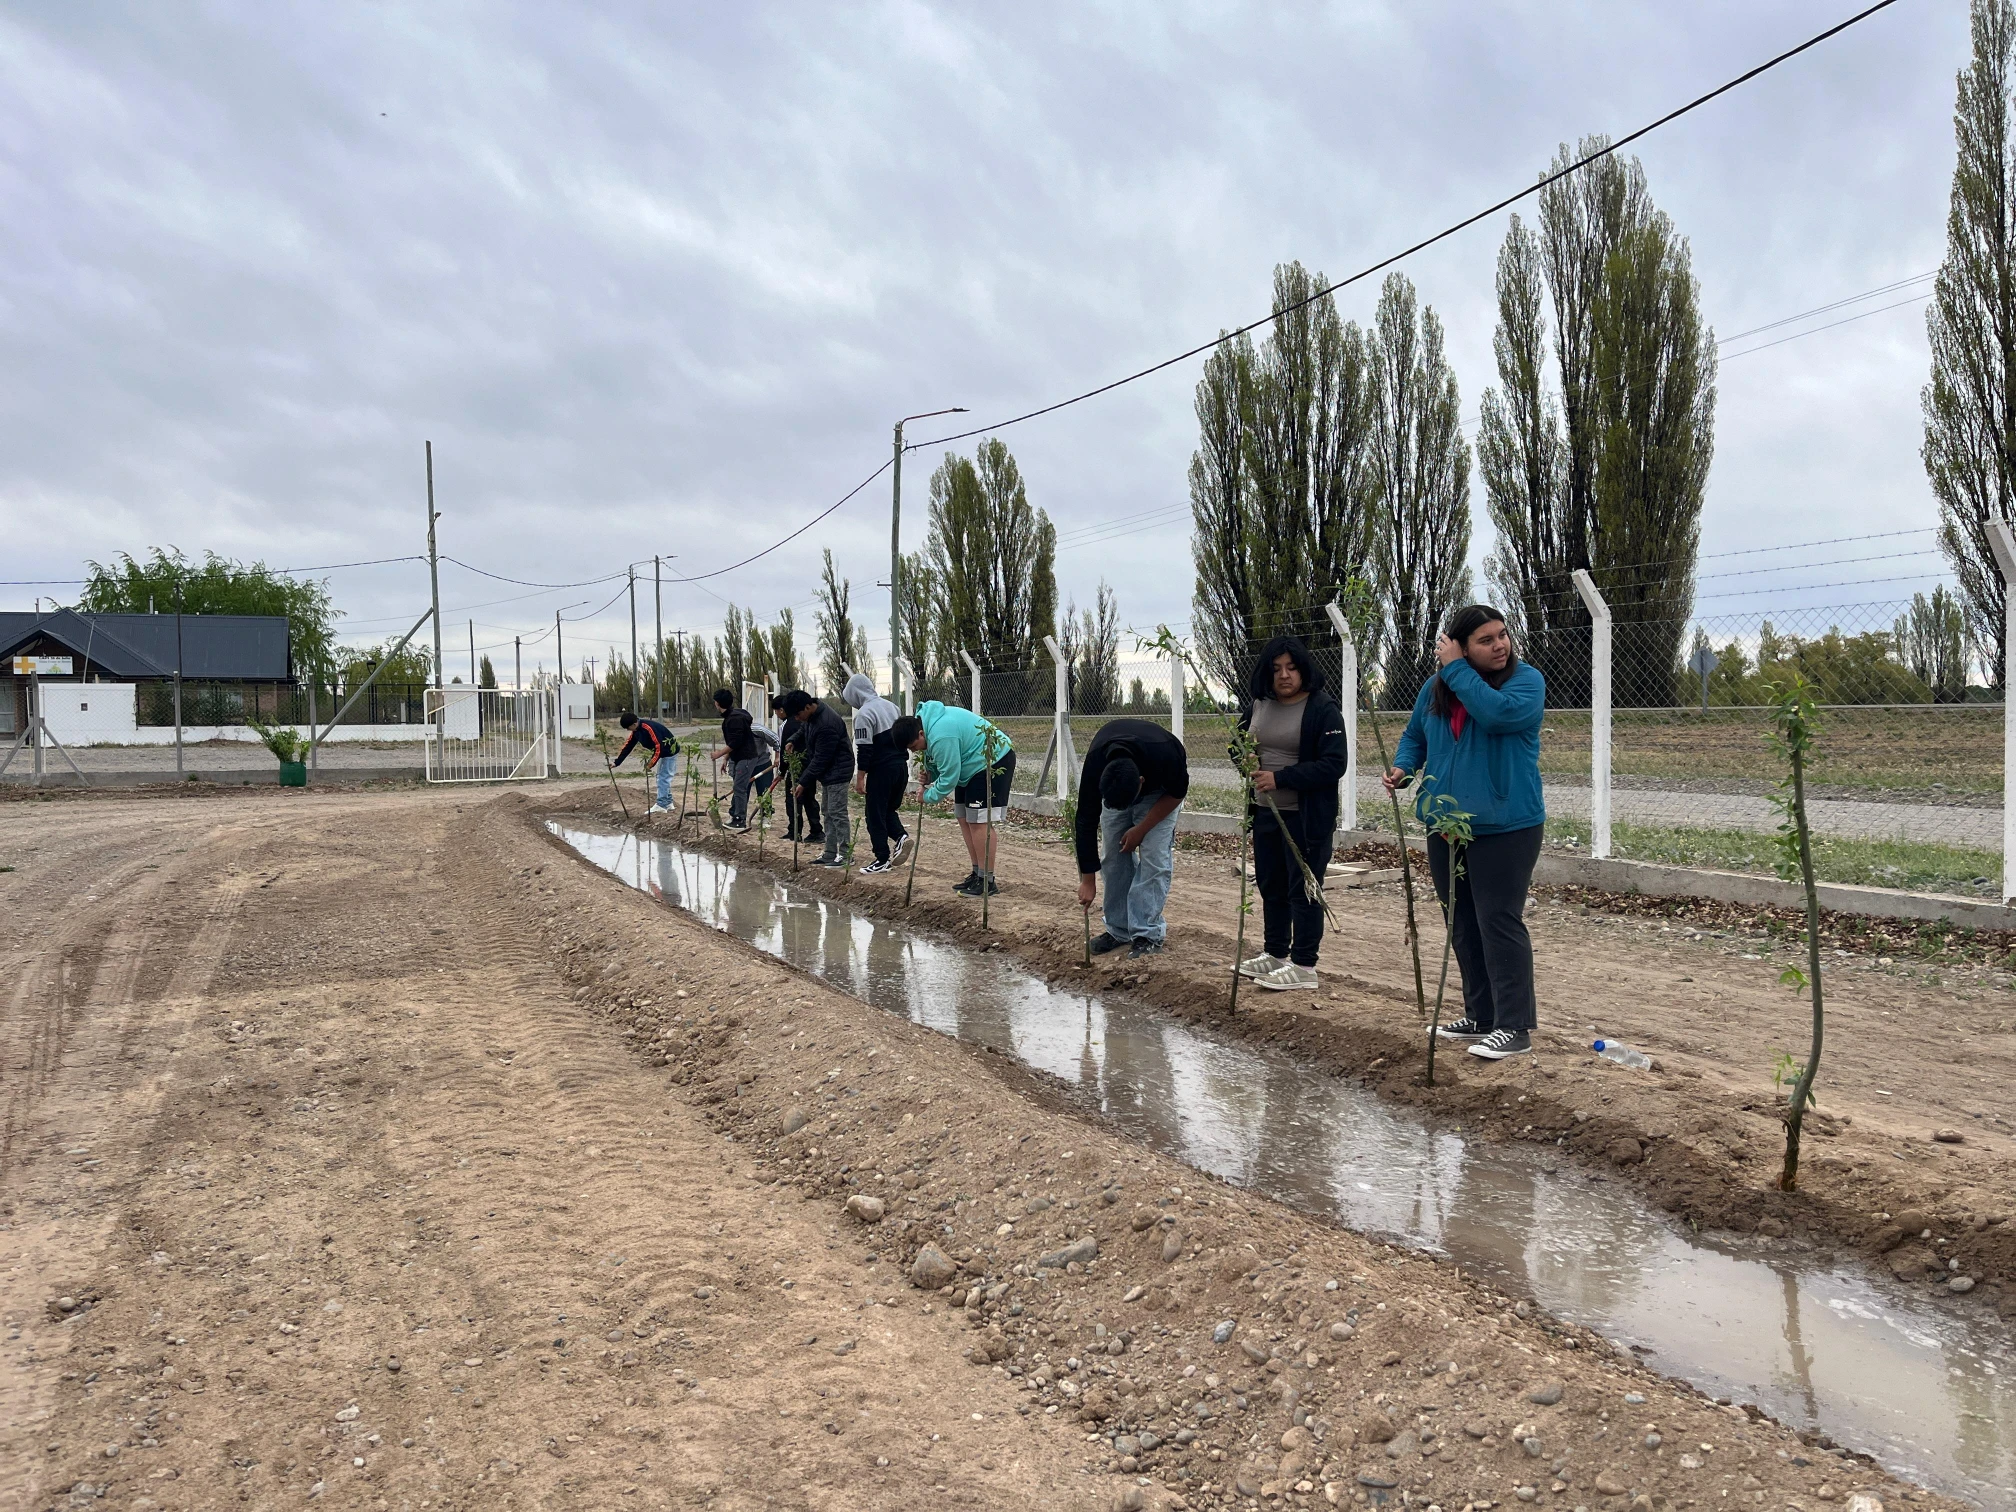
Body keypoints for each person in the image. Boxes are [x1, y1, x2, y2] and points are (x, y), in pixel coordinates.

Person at [1386, 604, 1546, 1061]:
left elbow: (1495, 715)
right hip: (1445, 825)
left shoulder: (1525, 682)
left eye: (1502, 635)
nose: (1500, 645)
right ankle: (1480, 1014)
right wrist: (1404, 767)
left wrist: (1456, 669)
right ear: (1462, 645)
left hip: (1506, 825)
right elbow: (1416, 734)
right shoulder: (1437, 689)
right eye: (1486, 640)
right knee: (1462, 921)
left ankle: (1514, 1027)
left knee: (1499, 921)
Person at [1237, 636, 1348, 992]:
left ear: (1304, 669)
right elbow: (1236, 741)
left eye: (1291, 667)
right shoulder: (1258, 704)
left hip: (1305, 816)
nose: (1284, 676)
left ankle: (1304, 965)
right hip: (1267, 813)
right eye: (1276, 669)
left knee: (1304, 888)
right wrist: (1243, 759)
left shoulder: (1322, 710)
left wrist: (1281, 778)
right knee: (1272, 885)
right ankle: (1274, 953)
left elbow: (1334, 764)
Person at [1074, 717, 1189, 959]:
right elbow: (1085, 819)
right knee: (1112, 855)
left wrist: (1141, 829)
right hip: (1120, 784)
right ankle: (1119, 929)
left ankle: (1147, 934)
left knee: (1153, 855)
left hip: (1161, 793)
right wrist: (1088, 879)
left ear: (1140, 783)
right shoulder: (1097, 764)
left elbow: (1177, 793)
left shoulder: (1166, 756)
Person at [890, 702, 1015, 898]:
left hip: (992, 761)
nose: (915, 752)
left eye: (914, 747)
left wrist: (928, 796)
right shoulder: (928, 725)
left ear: (921, 734)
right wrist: (930, 775)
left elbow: (949, 777)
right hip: (971, 766)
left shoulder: (941, 734)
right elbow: (943, 764)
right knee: (963, 816)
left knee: (978, 821)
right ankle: (977, 873)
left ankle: (987, 881)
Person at [842, 672, 910, 874]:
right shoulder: (892, 707)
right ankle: (901, 837)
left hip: (881, 770)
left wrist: (860, 777)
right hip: (901, 767)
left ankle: (882, 859)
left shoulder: (864, 714)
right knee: (888, 809)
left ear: (855, 694)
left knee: (873, 815)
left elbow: (865, 749)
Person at [780, 689, 856, 867]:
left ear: (807, 706)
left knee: (837, 813)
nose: (797, 719)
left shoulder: (826, 724)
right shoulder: (812, 715)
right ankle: (830, 853)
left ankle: (846, 855)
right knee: (828, 812)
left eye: (798, 714)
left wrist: (803, 782)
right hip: (829, 771)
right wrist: (792, 740)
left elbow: (821, 759)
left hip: (838, 771)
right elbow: (803, 729)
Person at [710, 688, 776, 831]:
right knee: (739, 787)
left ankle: (740, 820)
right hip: (743, 758)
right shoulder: (737, 715)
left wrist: (719, 754)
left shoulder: (733, 719)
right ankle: (736, 816)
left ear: (717, 703)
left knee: (741, 788)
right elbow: (735, 742)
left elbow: (735, 742)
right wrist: (726, 758)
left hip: (747, 759)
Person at [774, 693, 823, 846]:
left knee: (792, 799)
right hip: (809, 766)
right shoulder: (806, 721)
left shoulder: (788, 725)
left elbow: (784, 751)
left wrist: (782, 771)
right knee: (810, 799)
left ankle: (794, 831)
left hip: (796, 767)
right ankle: (816, 831)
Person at [612, 711, 680, 814]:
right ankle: (668, 802)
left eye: (628, 728)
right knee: (661, 777)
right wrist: (617, 762)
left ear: (634, 724)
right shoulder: (636, 731)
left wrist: (650, 764)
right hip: (663, 752)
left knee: (663, 778)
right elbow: (628, 746)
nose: (628, 730)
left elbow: (659, 747)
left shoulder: (648, 728)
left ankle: (661, 805)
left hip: (669, 752)